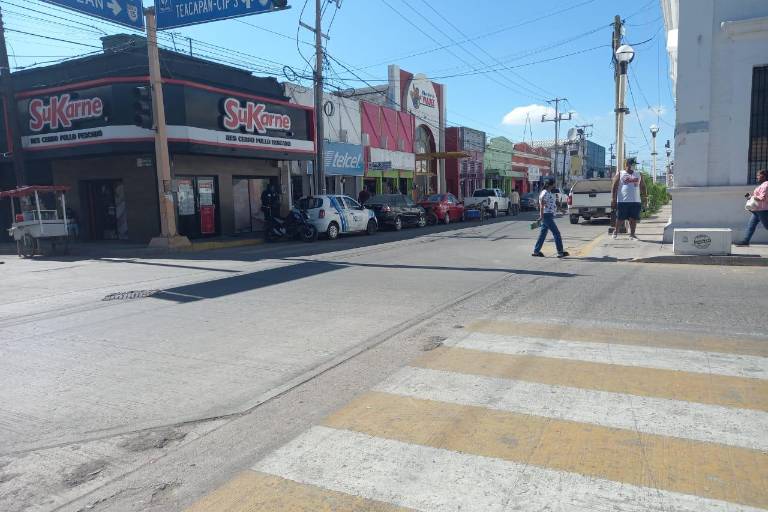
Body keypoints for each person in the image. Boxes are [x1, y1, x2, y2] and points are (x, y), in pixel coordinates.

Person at [611, 157, 647, 239]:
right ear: (627, 164)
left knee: (633, 218)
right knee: (620, 218)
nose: (634, 166)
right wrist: (613, 198)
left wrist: (645, 197)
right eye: (633, 164)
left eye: (635, 165)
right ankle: (615, 231)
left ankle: (632, 234)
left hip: (636, 200)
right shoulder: (620, 173)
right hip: (623, 200)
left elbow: (643, 186)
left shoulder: (639, 174)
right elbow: (614, 186)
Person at [532, 179, 569, 258]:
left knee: (543, 234)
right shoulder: (545, 193)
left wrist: (561, 210)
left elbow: (552, 204)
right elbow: (542, 205)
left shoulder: (548, 193)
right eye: (553, 184)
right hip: (546, 216)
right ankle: (560, 252)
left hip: (548, 215)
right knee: (556, 233)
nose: (554, 186)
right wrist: (541, 216)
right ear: (550, 185)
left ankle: (536, 251)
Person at [735, 169, 768, 246]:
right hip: (757, 210)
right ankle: (745, 241)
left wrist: (753, 197)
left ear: (764, 176)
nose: (757, 177)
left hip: (763, 210)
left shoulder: (766, 185)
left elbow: (762, 198)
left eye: (758, 175)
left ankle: (745, 241)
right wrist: (750, 198)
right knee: (751, 225)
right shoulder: (762, 185)